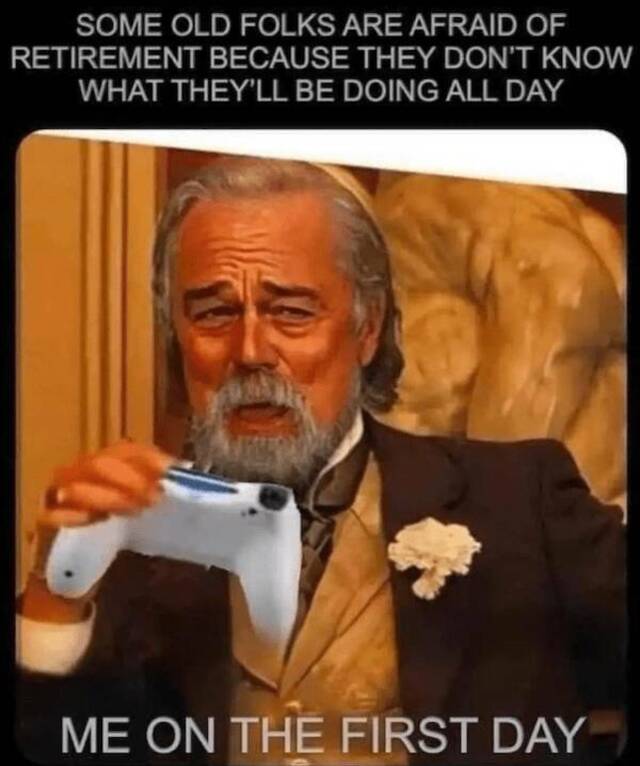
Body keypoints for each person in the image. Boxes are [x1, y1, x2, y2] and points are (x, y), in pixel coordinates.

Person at [15, 158, 625, 766]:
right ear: (177, 335)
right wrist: (51, 597)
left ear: (367, 328)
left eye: (291, 311)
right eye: (214, 313)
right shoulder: (131, 547)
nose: (250, 351)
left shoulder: (519, 502)